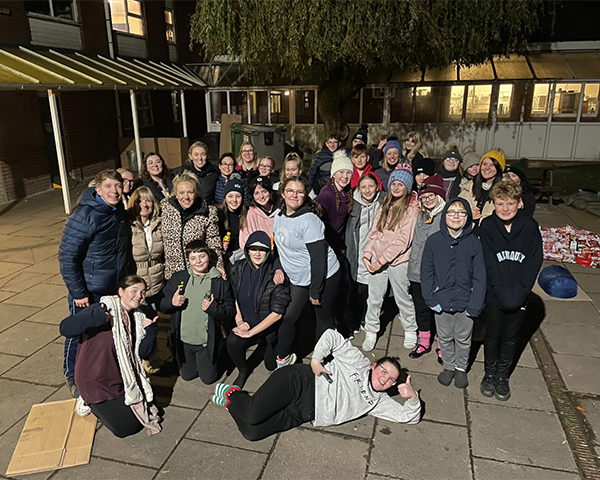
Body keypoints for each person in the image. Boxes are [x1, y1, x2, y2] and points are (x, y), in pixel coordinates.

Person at [210, 329, 420, 441]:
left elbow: (409, 417)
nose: (385, 378)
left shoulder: (378, 402)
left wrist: (412, 398)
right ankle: (236, 395)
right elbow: (332, 336)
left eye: (391, 379)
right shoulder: (360, 363)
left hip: (305, 413)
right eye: (384, 371)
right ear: (374, 366)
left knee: (251, 433)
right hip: (300, 382)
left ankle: (229, 402)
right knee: (251, 415)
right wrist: (316, 359)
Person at [59, 275, 161, 437]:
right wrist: (96, 317)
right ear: (120, 291)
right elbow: (66, 328)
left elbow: (143, 352)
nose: (139, 296)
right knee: (128, 428)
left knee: (143, 413)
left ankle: (105, 406)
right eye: (134, 291)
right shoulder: (103, 308)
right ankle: (88, 402)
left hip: (119, 378)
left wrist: (151, 330)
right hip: (95, 380)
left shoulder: (137, 317)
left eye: (142, 292)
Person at [58, 169, 128, 397]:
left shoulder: (117, 211)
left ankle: (96, 374)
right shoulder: (85, 215)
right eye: (108, 186)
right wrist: (79, 292)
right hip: (88, 290)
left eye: (118, 186)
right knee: (79, 332)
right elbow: (68, 257)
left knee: (101, 336)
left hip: (111, 287)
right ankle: (72, 375)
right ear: (97, 190)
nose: (114, 191)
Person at [479, 181, 543, 401]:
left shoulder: (529, 227)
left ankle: (502, 376)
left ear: (520, 203)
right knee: (493, 335)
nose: (505, 208)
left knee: (510, 337)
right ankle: (489, 373)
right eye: (500, 203)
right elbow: (488, 262)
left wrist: (522, 291)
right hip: (495, 293)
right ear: (493, 204)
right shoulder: (487, 226)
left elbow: (534, 261)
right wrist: (498, 290)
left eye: (510, 203)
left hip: (519, 292)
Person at [273, 176, 341, 367]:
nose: (294, 195)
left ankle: (322, 360)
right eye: (290, 191)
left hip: (324, 276)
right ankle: (283, 358)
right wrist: (278, 267)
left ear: (305, 195)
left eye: (300, 191)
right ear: (283, 193)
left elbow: (318, 260)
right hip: (298, 278)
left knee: (323, 318)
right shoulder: (279, 216)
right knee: (288, 317)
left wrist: (315, 290)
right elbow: (280, 247)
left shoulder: (309, 220)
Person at [420, 198, 486, 389]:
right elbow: (426, 272)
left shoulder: (474, 242)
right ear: (444, 215)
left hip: (466, 301)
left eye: (461, 212)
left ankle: (461, 368)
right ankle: (448, 366)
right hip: (441, 300)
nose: (456, 216)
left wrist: (475, 303)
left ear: (467, 217)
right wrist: (431, 298)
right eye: (451, 212)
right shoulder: (434, 241)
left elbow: (480, 276)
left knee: (464, 338)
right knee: (445, 336)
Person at [362, 164, 419, 352]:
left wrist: (381, 261)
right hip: (377, 258)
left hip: (397, 261)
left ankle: (411, 329)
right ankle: (371, 330)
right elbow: (375, 232)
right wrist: (368, 254)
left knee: (403, 297)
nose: (396, 187)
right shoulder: (385, 204)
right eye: (393, 183)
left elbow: (403, 241)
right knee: (375, 298)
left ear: (407, 187)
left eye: (400, 184)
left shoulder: (411, 208)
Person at [160, 241, 235, 383]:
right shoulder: (179, 278)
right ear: (188, 260)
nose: (198, 261)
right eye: (193, 258)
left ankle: (222, 354)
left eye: (202, 256)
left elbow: (229, 312)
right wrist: (171, 302)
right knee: (187, 376)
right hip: (183, 340)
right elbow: (162, 306)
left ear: (209, 257)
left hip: (205, 342)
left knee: (208, 379)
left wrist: (213, 308)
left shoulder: (219, 282)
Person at [227, 231, 291, 388]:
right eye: (253, 248)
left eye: (262, 249)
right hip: (247, 321)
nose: (257, 253)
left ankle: (270, 345)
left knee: (271, 365)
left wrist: (251, 333)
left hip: (268, 326)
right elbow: (233, 297)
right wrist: (239, 321)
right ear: (247, 250)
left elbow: (277, 314)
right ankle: (243, 370)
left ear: (268, 252)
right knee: (232, 342)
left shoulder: (275, 275)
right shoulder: (238, 269)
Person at [406, 176, 447, 361]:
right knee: (421, 309)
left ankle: (441, 344)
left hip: (437, 274)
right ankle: (424, 342)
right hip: (417, 271)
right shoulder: (421, 215)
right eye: (424, 196)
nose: (428, 199)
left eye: (432, 195)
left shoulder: (446, 216)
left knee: (439, 310)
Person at [160, 171, 223, 280]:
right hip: (173, 275)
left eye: (190, 192)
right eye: (181, 192)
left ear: (196, 193)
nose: (186, 197)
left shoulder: (207, 213)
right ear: (175, 193)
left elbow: (213, 243)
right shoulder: (166, 209)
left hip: (198, 274)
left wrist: (218, 266)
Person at [345, 173, 385, 331]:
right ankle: (354, 317)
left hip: (375, 250)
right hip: (357, 248)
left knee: (371, 288)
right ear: (358, 189)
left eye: (371, 186)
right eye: (363, 187)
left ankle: (366, 318)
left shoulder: (383, 201)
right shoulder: (353, 204)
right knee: (355, 286)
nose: (368, 190)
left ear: (377, 187)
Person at [316, 150, 354, 255]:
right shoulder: (326, 195)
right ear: (333, 174)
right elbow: (318, 222)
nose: (345, 176)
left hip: (341, 244)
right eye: (341, 172)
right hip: (328, 246)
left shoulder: (348, 192)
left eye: (348, 172)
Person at [459, 150, 505, 225]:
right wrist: (468, 215)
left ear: (499, 167)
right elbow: (456, 208)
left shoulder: (506, 190)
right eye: (484, 164)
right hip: (470, 232)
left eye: (492, 165)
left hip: (491, 232)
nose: (487, 168)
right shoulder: (469, 187)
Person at [239, 176, 279, 250]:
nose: (261, 196)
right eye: (256, 193)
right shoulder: (251, 214)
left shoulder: (281, 210)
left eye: (264, 192)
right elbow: (244, 240)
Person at [217, 178, 247, 265]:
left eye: (238, 196)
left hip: (241, 256)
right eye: (230, 196)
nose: (234, 200)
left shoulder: (247, 213)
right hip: (224, 256)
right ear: (225, 197)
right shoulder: (218, 214)